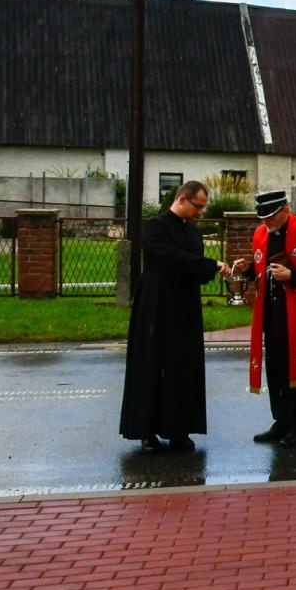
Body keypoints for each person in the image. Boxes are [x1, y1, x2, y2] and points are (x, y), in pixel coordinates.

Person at [119, 180, 231, 451]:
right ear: (182, 199)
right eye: (198, 206)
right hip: (156, 304)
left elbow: (193, 268)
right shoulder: (155, 227)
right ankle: (147, 431)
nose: (200, 212)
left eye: (203, 207)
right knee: (152, 364)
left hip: (185, 305)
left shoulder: (193, 233)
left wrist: (215, 271)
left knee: (184, 366)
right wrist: (209, 265)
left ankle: (179, 428)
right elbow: (171, 258)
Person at [234, 189, 296, 447]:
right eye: (263, 218)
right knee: (276, 372)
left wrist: (292, 276)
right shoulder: (260, 234)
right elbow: (260, 272)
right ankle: (281, 422)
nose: (266, 223)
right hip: (271, 314)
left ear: (285, 211)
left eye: (271, 217)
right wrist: (247, 272)